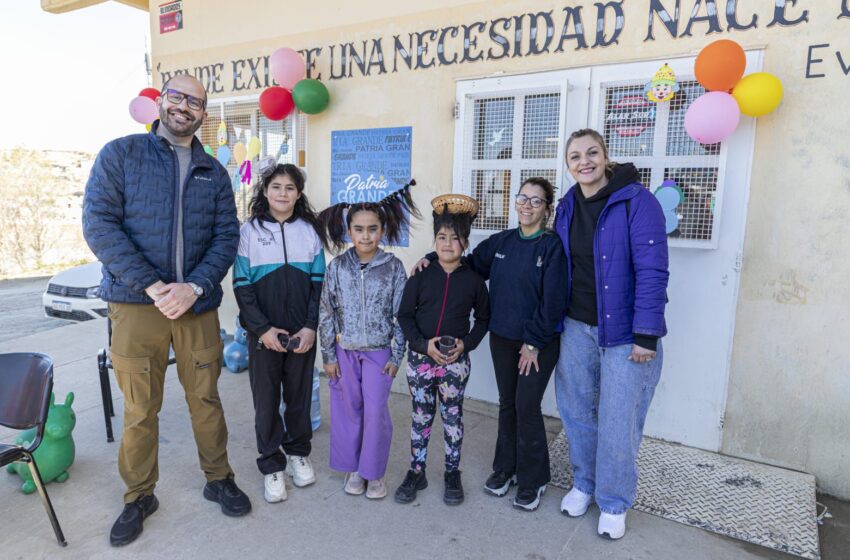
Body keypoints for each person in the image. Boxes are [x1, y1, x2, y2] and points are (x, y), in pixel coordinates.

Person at [82, 75, 250, 547]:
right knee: (140, 409)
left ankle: (218, 478)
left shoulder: (213, 171)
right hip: (137, 305)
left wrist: (194, 287)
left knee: (206, 399)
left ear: (203, 113)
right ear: (161, 102)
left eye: (195, 102)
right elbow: (99, 225)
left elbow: (226, 237)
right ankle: (138, 496)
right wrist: (156, 286)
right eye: (177, 97)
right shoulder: (121, 154)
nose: (185, 107)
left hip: (196, 306)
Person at [413, 178, 568, 511]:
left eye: (536, 201)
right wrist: (429, 256)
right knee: (508, 404)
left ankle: (533, 480)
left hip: (536, 344)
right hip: (503, 337)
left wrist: (533, 344)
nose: (527, 205)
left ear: (547, 209)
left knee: (527, 405)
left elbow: (554, 302)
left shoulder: (551, 247)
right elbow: (464, 261)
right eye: (522, 198)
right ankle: (505, 470)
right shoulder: (502, 242)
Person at [553, 128, 669, 540]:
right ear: (568, 164)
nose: (583, 161)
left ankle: (615, 500)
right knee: (578, 412)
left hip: (624, 333)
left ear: (605, 156)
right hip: (575, 327)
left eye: (591, 153)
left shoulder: (638, 202)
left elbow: (654, 270)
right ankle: (585, 483)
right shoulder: (566, 206)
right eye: (575, 156)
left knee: (619, 420)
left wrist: (647, 334)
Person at [233, 158, 327, 503]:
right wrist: (262, 330)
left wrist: (311, 327)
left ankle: (298, 454)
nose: (283, 193)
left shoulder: (310, 231)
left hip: (302, 333)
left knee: (300, 398)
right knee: (267, 401)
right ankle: (272, 465)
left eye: (290, 187)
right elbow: (242, 285)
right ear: (265, 191)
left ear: (298, 193)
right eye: (276, 187)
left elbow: (319, 283)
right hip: (265, 337)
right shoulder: (249, 232)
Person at [317, 184, 418, 500]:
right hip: (345, 353)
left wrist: (396, 354)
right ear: (349, 231)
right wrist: (329, 355)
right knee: (349, 411)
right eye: (358, 229)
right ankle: (355, 469)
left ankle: (374, 472)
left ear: (382, 230)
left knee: (375, 412)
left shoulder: (393, 269)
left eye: (372, 229)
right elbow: (326, 312)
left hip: (379, 355)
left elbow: (401, 315)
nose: (365, 236)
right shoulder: (337, 268)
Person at [394, 194, 490, 506]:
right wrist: (422, 345)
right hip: (421, 361)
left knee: (452, 418)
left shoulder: (474, 281)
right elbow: (405, 316)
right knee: (420, 416)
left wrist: (468, 344)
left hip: (455, 365)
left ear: (466, 242)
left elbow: (484, 318)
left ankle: (452, 472)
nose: (447, 244)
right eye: (441, 237)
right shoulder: (421, 274)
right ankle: (416, 470)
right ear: (434, 240)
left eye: (455, 238)